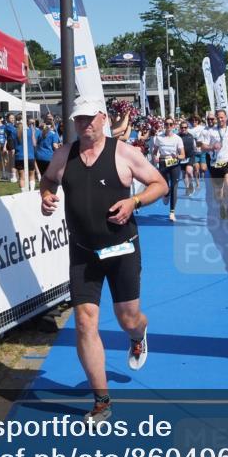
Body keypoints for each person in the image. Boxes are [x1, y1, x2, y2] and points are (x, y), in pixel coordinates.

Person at [40, 97, 167, 423]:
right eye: (78, 119)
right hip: (83, 252)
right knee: (84, 322)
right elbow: (49, 179)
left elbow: (160, 184)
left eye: (88, 118)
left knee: (128, 318)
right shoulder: (63, 154)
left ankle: (138, 335)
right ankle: (102, 401)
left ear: (102, 117)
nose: (83, 124)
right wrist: (46, 195)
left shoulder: (124, 152)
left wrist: (134, 202)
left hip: (122, 249)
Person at [202, 109, 228, 219]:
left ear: (226, 118)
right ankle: (222, 205)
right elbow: (203, 147)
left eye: (222, 117)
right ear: (216, 119)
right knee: (218, 193)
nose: (220, 119)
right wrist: (211, 147)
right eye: (218, 117)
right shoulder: (211, 132)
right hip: (215, 163)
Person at [152, 119, 186, 222]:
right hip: (163, 163)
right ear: (164, 125)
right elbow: (154, 152)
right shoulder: (159, 138)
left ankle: (172, 212)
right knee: (166, 187)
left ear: (174, 126)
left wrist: (177, 156)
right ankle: (166, 194)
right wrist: (155, 157)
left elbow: (183, 155)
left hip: (174, 163)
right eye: (167, 124)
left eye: (171, 124)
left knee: (174, 187)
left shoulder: (178, 139)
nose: (168, 126)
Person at [16, 117, 39, 191]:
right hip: (30, 156)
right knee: (31, 175)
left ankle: (23, 193)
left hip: (19, 156)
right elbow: (34, 144)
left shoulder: (15, 131)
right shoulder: (30, 131)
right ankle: (31, 191)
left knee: (21, 176)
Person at [178, 121, 198, 197]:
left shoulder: (191, 136)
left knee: (189, 171)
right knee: (184, 174)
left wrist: (196, 149)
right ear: (180, 128)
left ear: (187, 128)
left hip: (190, 156)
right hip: (182, 157)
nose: (183, 129)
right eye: (182, 127)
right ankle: (187, 188)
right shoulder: (177, 136)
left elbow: (195, 146)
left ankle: (191, 184)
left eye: (185, 127)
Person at [3, 113, 18, 183]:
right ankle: (13, 176)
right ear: (8, 119)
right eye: (11, 118)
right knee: (12, 160)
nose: (12, 119)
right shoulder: (8, 126)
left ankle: (10, 175)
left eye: (13, 118)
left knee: (11, 160)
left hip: (12, 142)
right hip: (11, 142)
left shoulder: (13, 125)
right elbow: (14, 132)